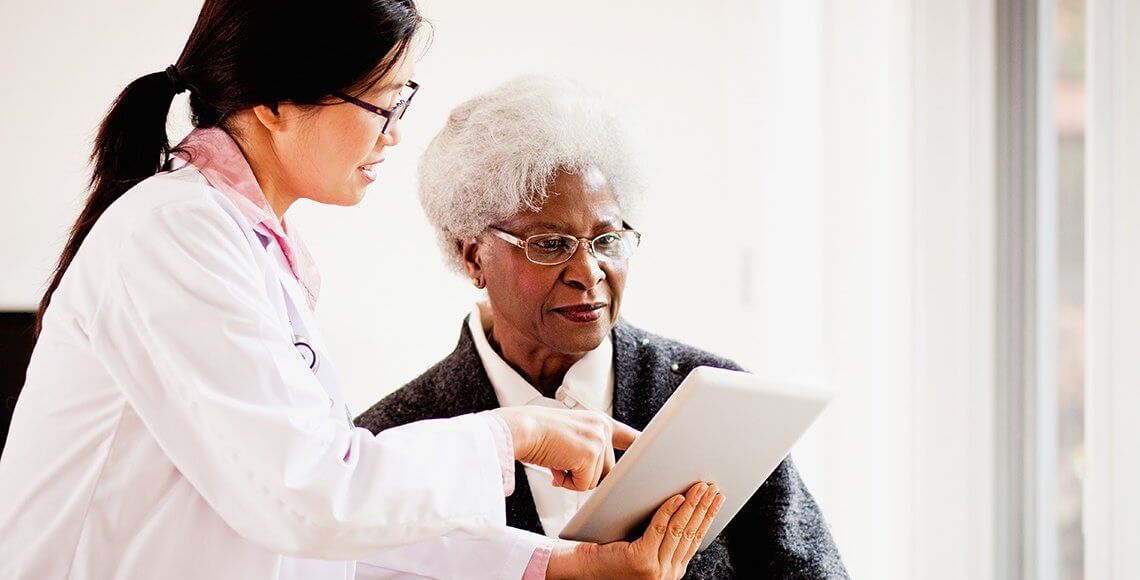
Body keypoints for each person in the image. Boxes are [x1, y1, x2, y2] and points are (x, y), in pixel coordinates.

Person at [0, 3, 707, 579]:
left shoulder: (238, 246)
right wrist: (515, 433)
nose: (395, 135)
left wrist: (564, 567)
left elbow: (345, 524)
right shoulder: (173, 232)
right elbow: (311, 498)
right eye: (382, 105)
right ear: (276, 102)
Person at [356, 75, 850, 578]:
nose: (588, 272)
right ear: (473, 256)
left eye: (607, 240)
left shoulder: (716, 401)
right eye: (550, 244)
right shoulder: (392, 442)